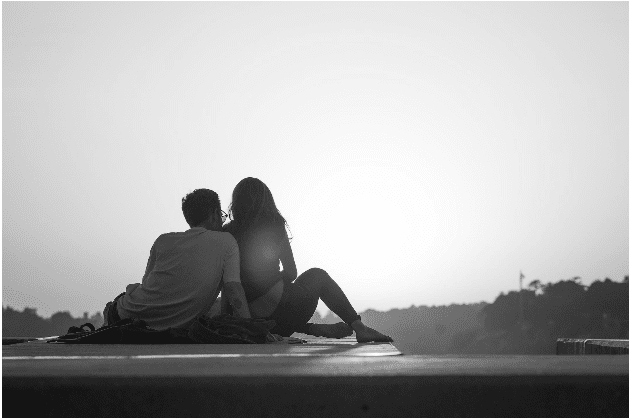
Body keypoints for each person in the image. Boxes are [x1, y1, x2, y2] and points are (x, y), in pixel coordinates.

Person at [222, 177, 393, 343]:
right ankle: (359, 328)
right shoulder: (274, 224)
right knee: (317, 275)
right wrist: (274, 280)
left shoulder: (227, 232)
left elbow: (227, 283)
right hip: (283, 310)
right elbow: (291, 272)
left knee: (276, 311)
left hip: (252, 319)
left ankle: (309, 328)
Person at [103, 189, 250, 330]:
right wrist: (253, 329)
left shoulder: (163, 241)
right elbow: (233, 289)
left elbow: (149, 285)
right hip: (159, 326)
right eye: (222, 216)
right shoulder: (227, 242)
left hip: (125, 315)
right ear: (214, 214)